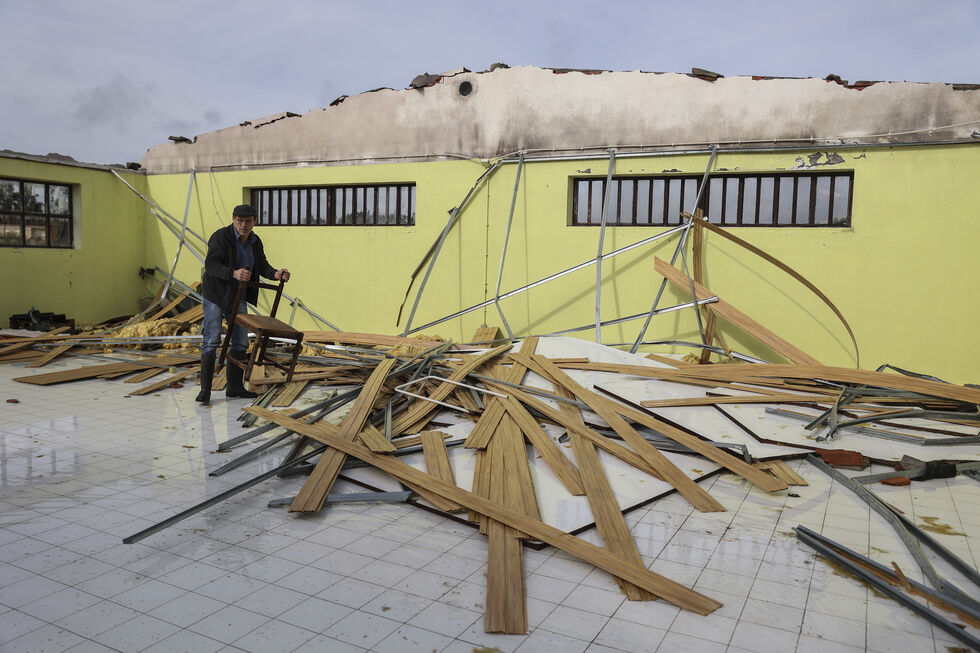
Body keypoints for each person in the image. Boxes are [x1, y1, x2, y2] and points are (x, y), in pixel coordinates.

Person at [196, 204, 291, 404]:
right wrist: (234, 273)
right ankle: (205, 391)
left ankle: (235, 388)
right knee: (212, 338)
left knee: (240, 341)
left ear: (254, 221)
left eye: (248, 221)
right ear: (233, 219)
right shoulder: (221, 237)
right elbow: (211, 264)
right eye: (239, 221)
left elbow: (262, 265)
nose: (243, 225)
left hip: (237, 296)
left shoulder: (255, 242)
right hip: (216, 294)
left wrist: (275, 274)